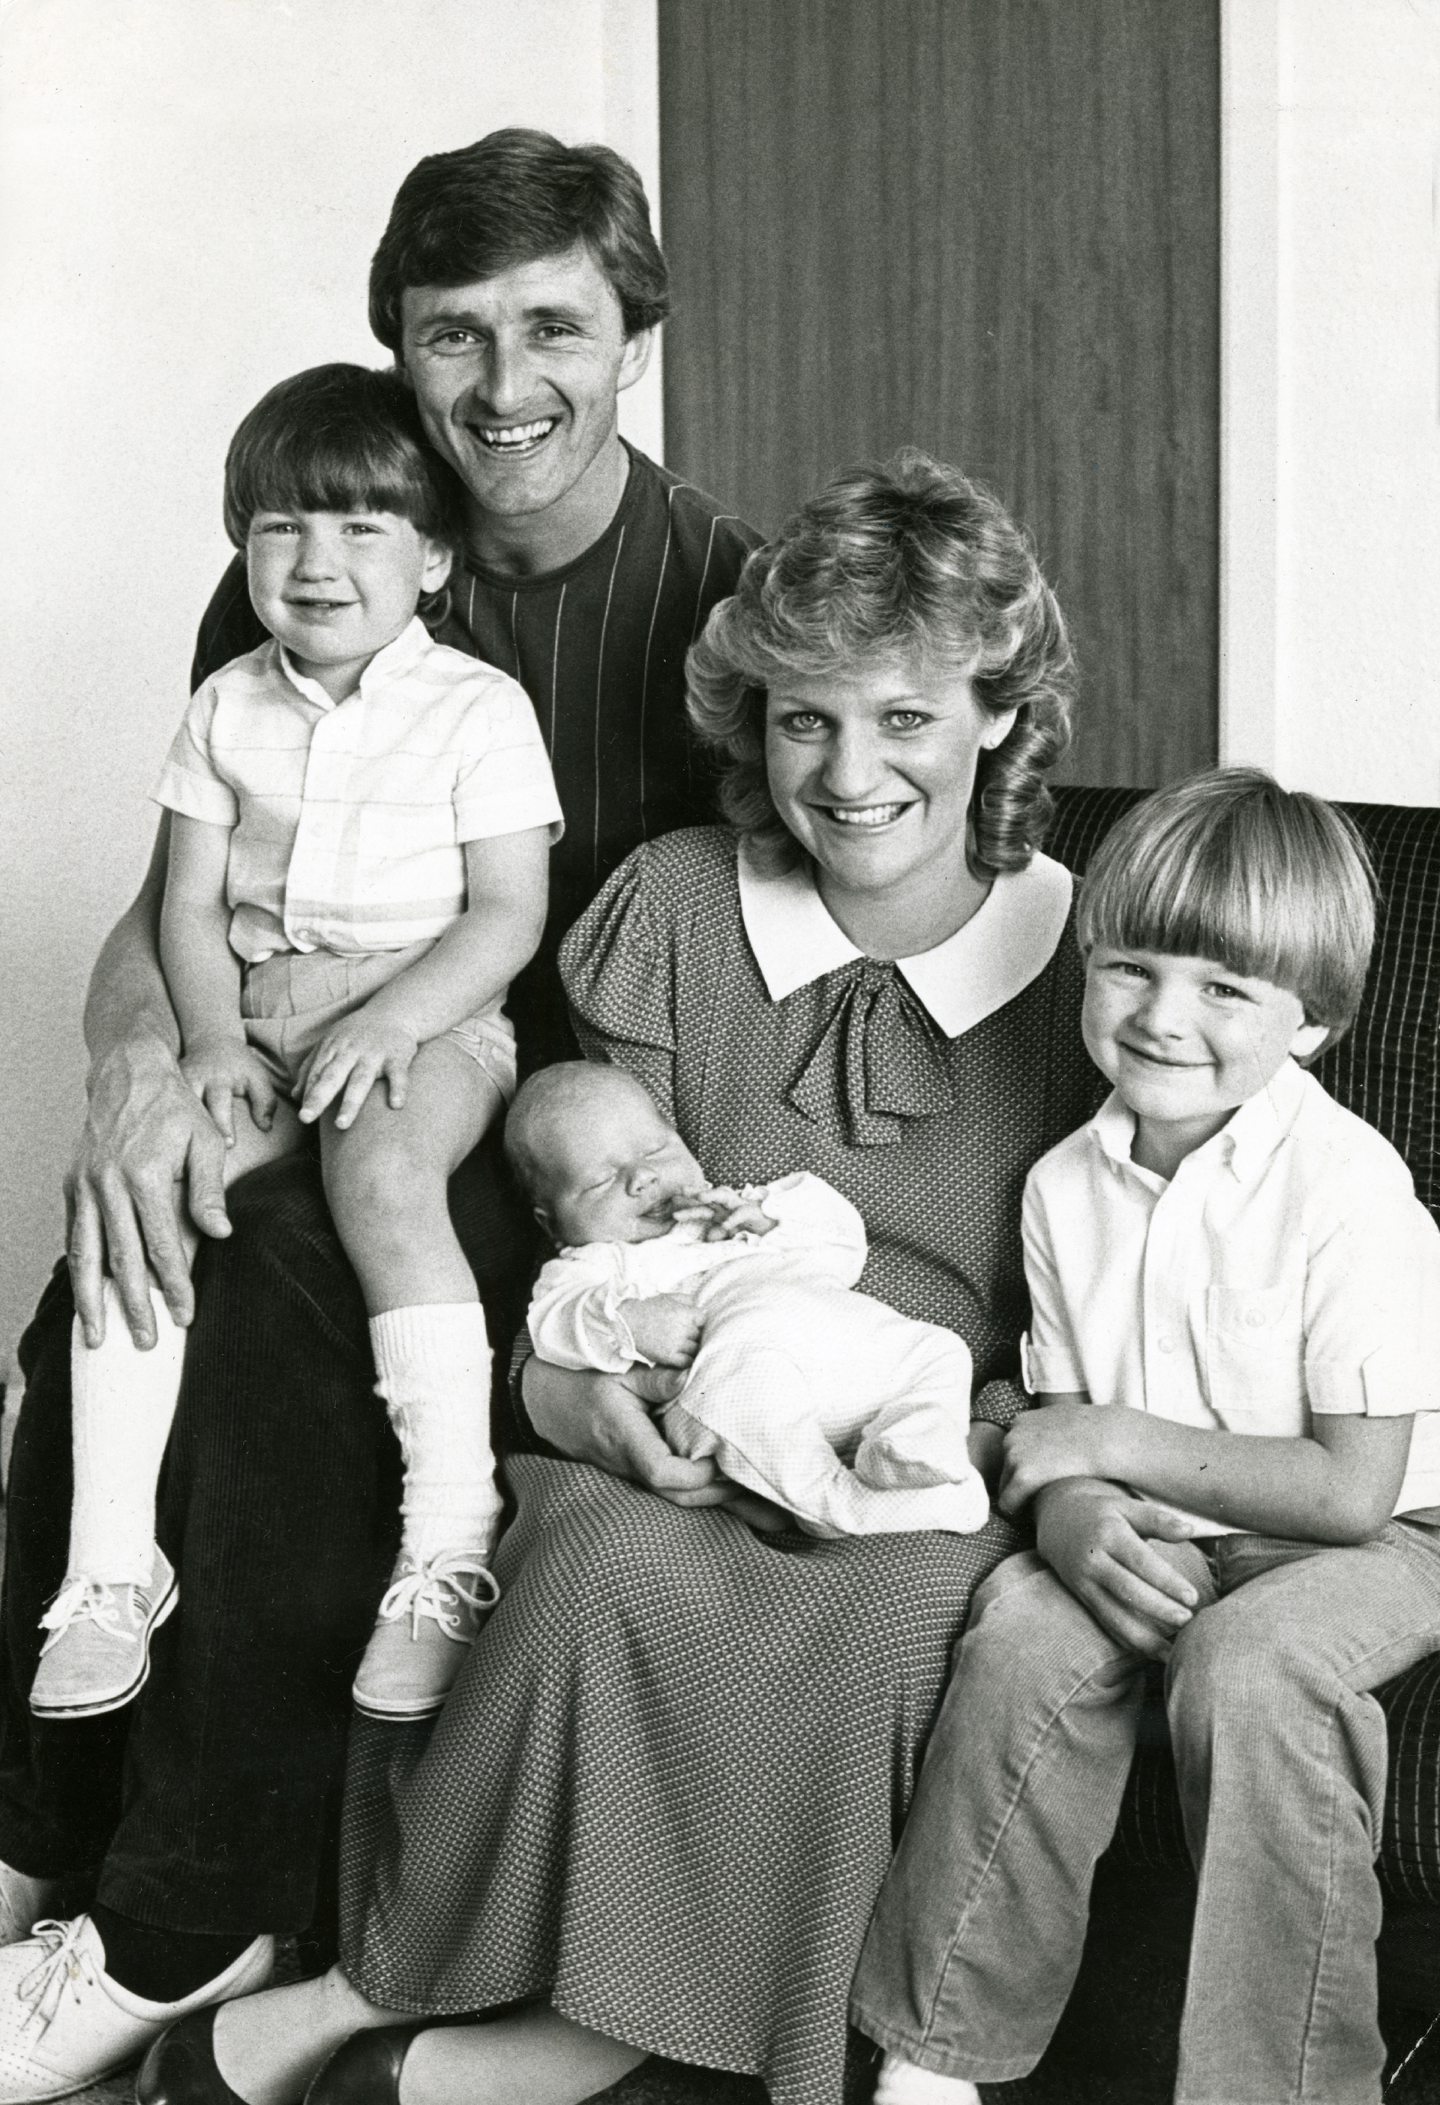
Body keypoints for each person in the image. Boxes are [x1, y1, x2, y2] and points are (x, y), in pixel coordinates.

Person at [137, 452, 1099, 2105]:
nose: (850, 772)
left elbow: (1100, 1295)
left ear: (1000, 719)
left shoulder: (1092, 957)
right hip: (660, 1376)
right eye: (803, 719)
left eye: (907, 721)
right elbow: (572, 1220)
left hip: (926, 1433)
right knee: (586, 1554)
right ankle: (389, 1983)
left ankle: (561, 2049)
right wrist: (571, 1392)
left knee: (885, 1611)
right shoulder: (667, 909)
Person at [0, 129, 758, 2100]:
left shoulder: (728, 609)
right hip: (286, 1058)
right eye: (452, 335)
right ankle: (38, 1838)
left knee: (281, 1306)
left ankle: (194, 1903)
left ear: (635, 339)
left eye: (553, 329)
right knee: (115, 1253)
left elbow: (725, 984)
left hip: (547, 1127)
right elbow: (181, 899)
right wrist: (133, 1081)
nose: (505, 386)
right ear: (395, 355)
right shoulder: (307, 555)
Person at [849, 769, 1440, 2105]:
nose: (1164, 1018)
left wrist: (1106, 1438)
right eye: (1132, 968)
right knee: (1023, 1630)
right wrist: (1065, 1512)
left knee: (1249, 1666)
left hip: (1388, 1537)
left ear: (1318, 1020)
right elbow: (1059, 1435)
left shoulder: (1351, 1192)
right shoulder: (1067, 1186)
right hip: (1180, 1525)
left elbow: (1353, 1490)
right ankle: (933, 2062)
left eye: (1226, 989)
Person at [32, 363, 562, 1734]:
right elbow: (190, 905)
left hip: (429, 1013)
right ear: (241, 546)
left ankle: (445, 1536)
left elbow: (506, 913)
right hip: (260, 1009)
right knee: (153, 1197)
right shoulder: (224, 708)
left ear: (435, 556)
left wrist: (395, 1020)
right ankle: (109, 1566)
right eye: (281, 528)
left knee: (382, 1179)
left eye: (361, 528)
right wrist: (208, 1041)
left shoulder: (476, 711)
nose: (316, 562)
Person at [508, 1061, 990, 1536]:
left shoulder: (735, 1213)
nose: (643, 1177)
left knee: (939, 1349)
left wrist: (764, 1218)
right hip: (743, 1380)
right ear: (549, 1222)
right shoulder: (597, 1264)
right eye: (600, 1180)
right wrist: (627, 1324)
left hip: (849, 1362)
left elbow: (844, 1250)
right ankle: (840, 1502)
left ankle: (912, 1440)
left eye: (656, 1148)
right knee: (744, 1397)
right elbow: (551, 1323)